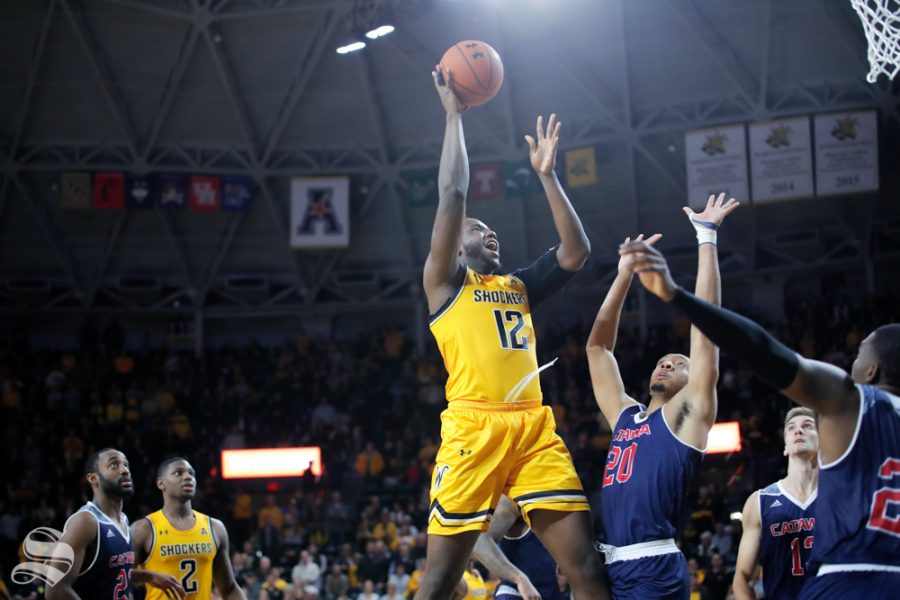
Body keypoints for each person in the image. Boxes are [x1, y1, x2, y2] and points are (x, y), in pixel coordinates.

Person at [416, 66, 607, 599]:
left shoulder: (518, 286)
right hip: (472, 428)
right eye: (480, 229)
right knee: (440, 581)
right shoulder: (446, 282)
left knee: (587, 567)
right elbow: (452, 194)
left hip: (531, 429)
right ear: (456, 245)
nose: (490, 231)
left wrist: (547, 176)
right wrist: (454, 117)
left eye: (492, 229)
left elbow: (576, 252)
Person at [619, 239, 900, 598]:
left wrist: (676, 295)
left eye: (860, 353)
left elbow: (765, 350)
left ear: (872, 370)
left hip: (851, 578)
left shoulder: (851, 399)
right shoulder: (764, 500)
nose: (853, 361)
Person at [586, 194, 739, 598]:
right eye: (663, 360)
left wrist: (706, 239)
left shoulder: (686, 416)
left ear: (694, 382)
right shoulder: (625, 415)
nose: (668, 364)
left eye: (680, 363)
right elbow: (597, 350)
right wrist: (624, 275)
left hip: (652, 565)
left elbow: (706, 332)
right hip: (610, 563)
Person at [47, 448, 182, 600]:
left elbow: (114, 572)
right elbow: (55, 589)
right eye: (114, 465)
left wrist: (150, 576)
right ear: (93, 479)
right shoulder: (86, 521)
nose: (124, 470)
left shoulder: (123, 520)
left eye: (126, 465)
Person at [734, 407, 819, 600]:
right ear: (785, 447)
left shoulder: (839, 496)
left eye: (808, 426)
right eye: (791, 428)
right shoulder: (760, 501)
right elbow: (742, 578)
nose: (799, 430)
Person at [132, 457, 246, 599]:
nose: (187, 477)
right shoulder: (143, 529)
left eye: (191, 473)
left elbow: (229, 588)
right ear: (161, 483)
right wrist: (150, 576)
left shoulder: (215, 527)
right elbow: (119, 576)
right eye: (178, 473)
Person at [472, 495, 557, 600]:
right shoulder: (512, 500)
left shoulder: (559, 496)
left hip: (551, 592)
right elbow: (479, 542)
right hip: (518, 593)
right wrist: (519, 579)